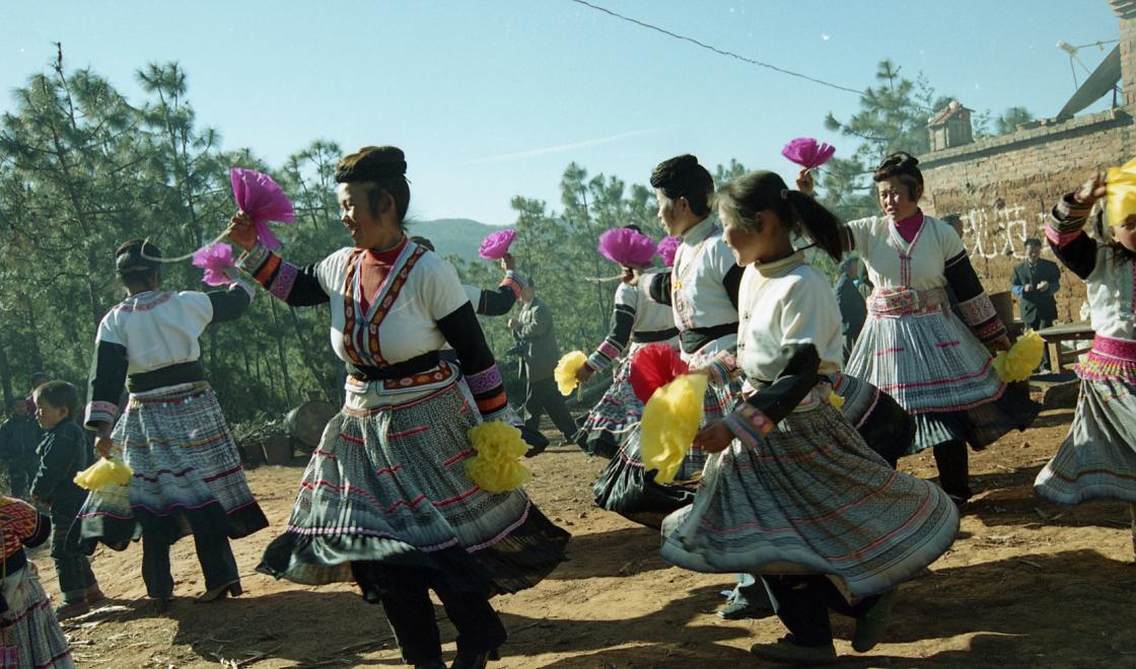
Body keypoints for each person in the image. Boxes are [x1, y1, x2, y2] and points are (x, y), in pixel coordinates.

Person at [235, 146, 569, 669]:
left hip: (428, 422)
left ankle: (478, 633)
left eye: (351, 205)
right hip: (360, 427)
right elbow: (299, 288)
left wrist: (499, 424)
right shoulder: (340, 265)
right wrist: (254, 250)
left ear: (385, 203)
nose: (344, 217)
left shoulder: (427, 270)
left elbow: (475, 350)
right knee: (382, 554)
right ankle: (423, 658)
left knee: (434, 546)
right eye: (341, 205)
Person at [661, 170, 959, 665]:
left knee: (787, 540)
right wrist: (710, 375)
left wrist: (735, 427)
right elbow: (755, 351)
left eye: (728, 224)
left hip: (799, 433)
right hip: (763, 432)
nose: (724, 236)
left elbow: (798, 375)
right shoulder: (756, 274)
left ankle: (848, 607)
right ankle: (822, 628)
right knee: (772, 544)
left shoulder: (805, 285)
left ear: (762, 222)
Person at [819, 153, 1039, 507]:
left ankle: (955, 489)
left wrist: (995, 335)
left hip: (937, 331)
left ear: (916, 191)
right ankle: (885, 492)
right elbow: (825, 236)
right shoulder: (869, 231)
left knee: (945, 409)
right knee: (880, 411)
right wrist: (807, 196)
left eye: (894, 193)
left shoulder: (941, 233)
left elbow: (967, 286)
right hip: (885, 337)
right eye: (882, 194)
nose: (888, 201)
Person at [76, 240, 267, 613]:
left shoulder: (115, 320)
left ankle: (160, 589)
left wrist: (102, 429)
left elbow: (106, 378)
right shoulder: (185, 302)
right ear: (155, 274)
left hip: (148, 416)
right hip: (197, 409)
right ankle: (222, 577)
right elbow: (238, 301)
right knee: (204, 492)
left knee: (151, 499)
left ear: (123, 281)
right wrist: (231, 274)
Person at [1033, 172, 1136, 547]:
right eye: (1130, 223)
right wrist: (1081, 198)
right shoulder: (1098, 259)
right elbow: (1061, 236)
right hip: (1114, 381)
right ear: (1112, 226)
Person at [574, 225, 679, 458]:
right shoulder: (667, 276)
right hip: (678, 359)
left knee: (640, 432)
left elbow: (618, 337)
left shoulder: (627, 289)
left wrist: (590, 366)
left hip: (645, 364)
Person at [29, 381, 102, 620]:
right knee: (74, 546)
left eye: (42, 408)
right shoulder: (63, 432)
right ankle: (90, 590)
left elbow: (52, 468)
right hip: (71, 499)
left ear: (62, 411)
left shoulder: (64, 434)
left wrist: (38, 490)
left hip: (69, 501)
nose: (37, 413)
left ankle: (74, 600)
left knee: (62, 550)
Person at [0, 495, 74, 668]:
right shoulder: (8, 507)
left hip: (13, 602)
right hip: (20, 595)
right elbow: (38, 533)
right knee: (34, 649)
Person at [507, 279, 580, 452]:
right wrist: (516, 330)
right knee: (554, 404)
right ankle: (574, 434)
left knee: (532, 404)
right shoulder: (525, 310)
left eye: (525, 289)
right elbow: (523, 337)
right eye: (520, 290)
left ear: (532, 289)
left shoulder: (540, 309)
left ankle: (530, 440)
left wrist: (518, 326)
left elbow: (536, 330)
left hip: (542, 365)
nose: (522, 293)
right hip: (534, 364)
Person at [1011, 237, 1062, 370]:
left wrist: (1048, 287)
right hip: (1028, 308)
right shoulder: (1019, 269)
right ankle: (1034, 366)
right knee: (1030, 339)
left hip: (1046, 307)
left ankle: (1047, 365)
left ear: (1040, 251)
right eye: (1030, 251)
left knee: (1044, 336)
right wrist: (1023, 289)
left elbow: (1056, 285)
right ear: (1025, 251)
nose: (1033, 254)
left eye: (1036, 251)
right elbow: (1014, 286)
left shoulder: (1049, 266)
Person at [0, 399, 41, 499]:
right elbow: (2, 444)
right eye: (18, 406)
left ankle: (37, 507)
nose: (21, 409)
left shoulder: (34, 422)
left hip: (33, 458)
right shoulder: (7, 426)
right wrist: (7, 458)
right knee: (17, 488)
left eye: (23, 406)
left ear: (27, 407)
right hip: (15, 459)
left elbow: (41, 438)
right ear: (13, 408)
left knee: (37, 486)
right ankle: (18, 509)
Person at [834, 256, 867, 362]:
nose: (856, 268)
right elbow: (840, 305)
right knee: (852, 359)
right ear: (848, 267)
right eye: (854, 265)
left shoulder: (847, 281)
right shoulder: (844, 283)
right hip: (851, 329)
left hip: (854, 327)